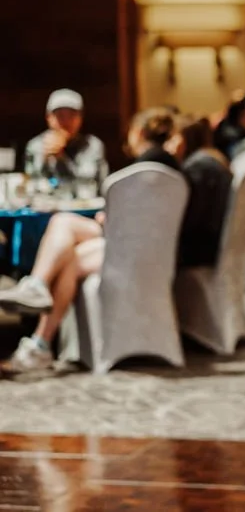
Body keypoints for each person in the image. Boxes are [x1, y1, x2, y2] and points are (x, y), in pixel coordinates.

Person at [0, 108, 178, 373]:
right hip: (152, 247)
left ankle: (40, 336)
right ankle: (37, 306)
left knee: (67, 249)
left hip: (134, 247)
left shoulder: (143, 168)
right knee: (63, 224)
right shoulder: (168, 165)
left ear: (138, 133)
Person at [166, 116, 233, 269]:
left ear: (184, 139)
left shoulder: (198, 167)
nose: (169, 145)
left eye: (173, 138)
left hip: (200, 250)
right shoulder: (214, 158)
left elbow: (190, 217)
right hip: (216, 243)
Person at [24, 88, 108, 188]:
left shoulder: (92, 145)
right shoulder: (35, 145)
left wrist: (61, 157)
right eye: (60, 115)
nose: (66, 121)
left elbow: (88, 183)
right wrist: (44, 159)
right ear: (49, 118)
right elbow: (30, 183)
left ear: (80, 118)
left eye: (71, 115)